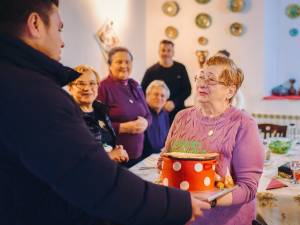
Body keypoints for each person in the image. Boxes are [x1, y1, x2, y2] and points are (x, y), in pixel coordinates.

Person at [0, 1, 211, 224]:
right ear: (35, 24)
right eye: (59, 29)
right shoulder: (34, 93)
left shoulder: (17, 81)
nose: (62, 42)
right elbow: (93, 180)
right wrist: (176, 204)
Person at [160, 55, 264, 225]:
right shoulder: (181, 117)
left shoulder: (243, 123)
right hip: (179, 215)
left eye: (211, 79)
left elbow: (248, 188)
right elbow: (165, 160)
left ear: (230, 91)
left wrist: (209, 200)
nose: (202, 83)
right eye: (201, 77)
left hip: (220, 219)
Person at [97, 47, 151, 168]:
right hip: (115, 158)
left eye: (127, 62)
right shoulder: (102, 87)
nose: (124, 65)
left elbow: (148, 114)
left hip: (137, 154)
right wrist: (122, 128)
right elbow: (96, 122)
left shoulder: (134, 84)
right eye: (119, 62)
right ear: (110, 65)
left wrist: (146, 123)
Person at [68, 65, 129, 163]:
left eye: (92, 83)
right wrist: (109, 156)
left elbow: (106, 144)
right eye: (80, 83)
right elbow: (72, 157)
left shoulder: (101, 110)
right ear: (70, 88)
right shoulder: (69, 116)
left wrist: (118, 152)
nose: (87, 88)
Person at [141, 39, 192, 123]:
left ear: (173, 52)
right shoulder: (151, 71)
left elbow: (187, 90)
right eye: (163, 50)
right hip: (156, 115)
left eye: (169, 50)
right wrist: (156, 104)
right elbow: (143, 92)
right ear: (159, 51)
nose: (165, 53)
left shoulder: (181, 68)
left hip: (178, 113)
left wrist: (174, 102)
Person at [142, 80, 170, 159]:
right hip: (143, 160)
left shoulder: (165, 115)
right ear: (147, 96)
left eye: (162, 96)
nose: (159, 98)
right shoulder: (142, 113)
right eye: (156, 94)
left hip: (161, 157)